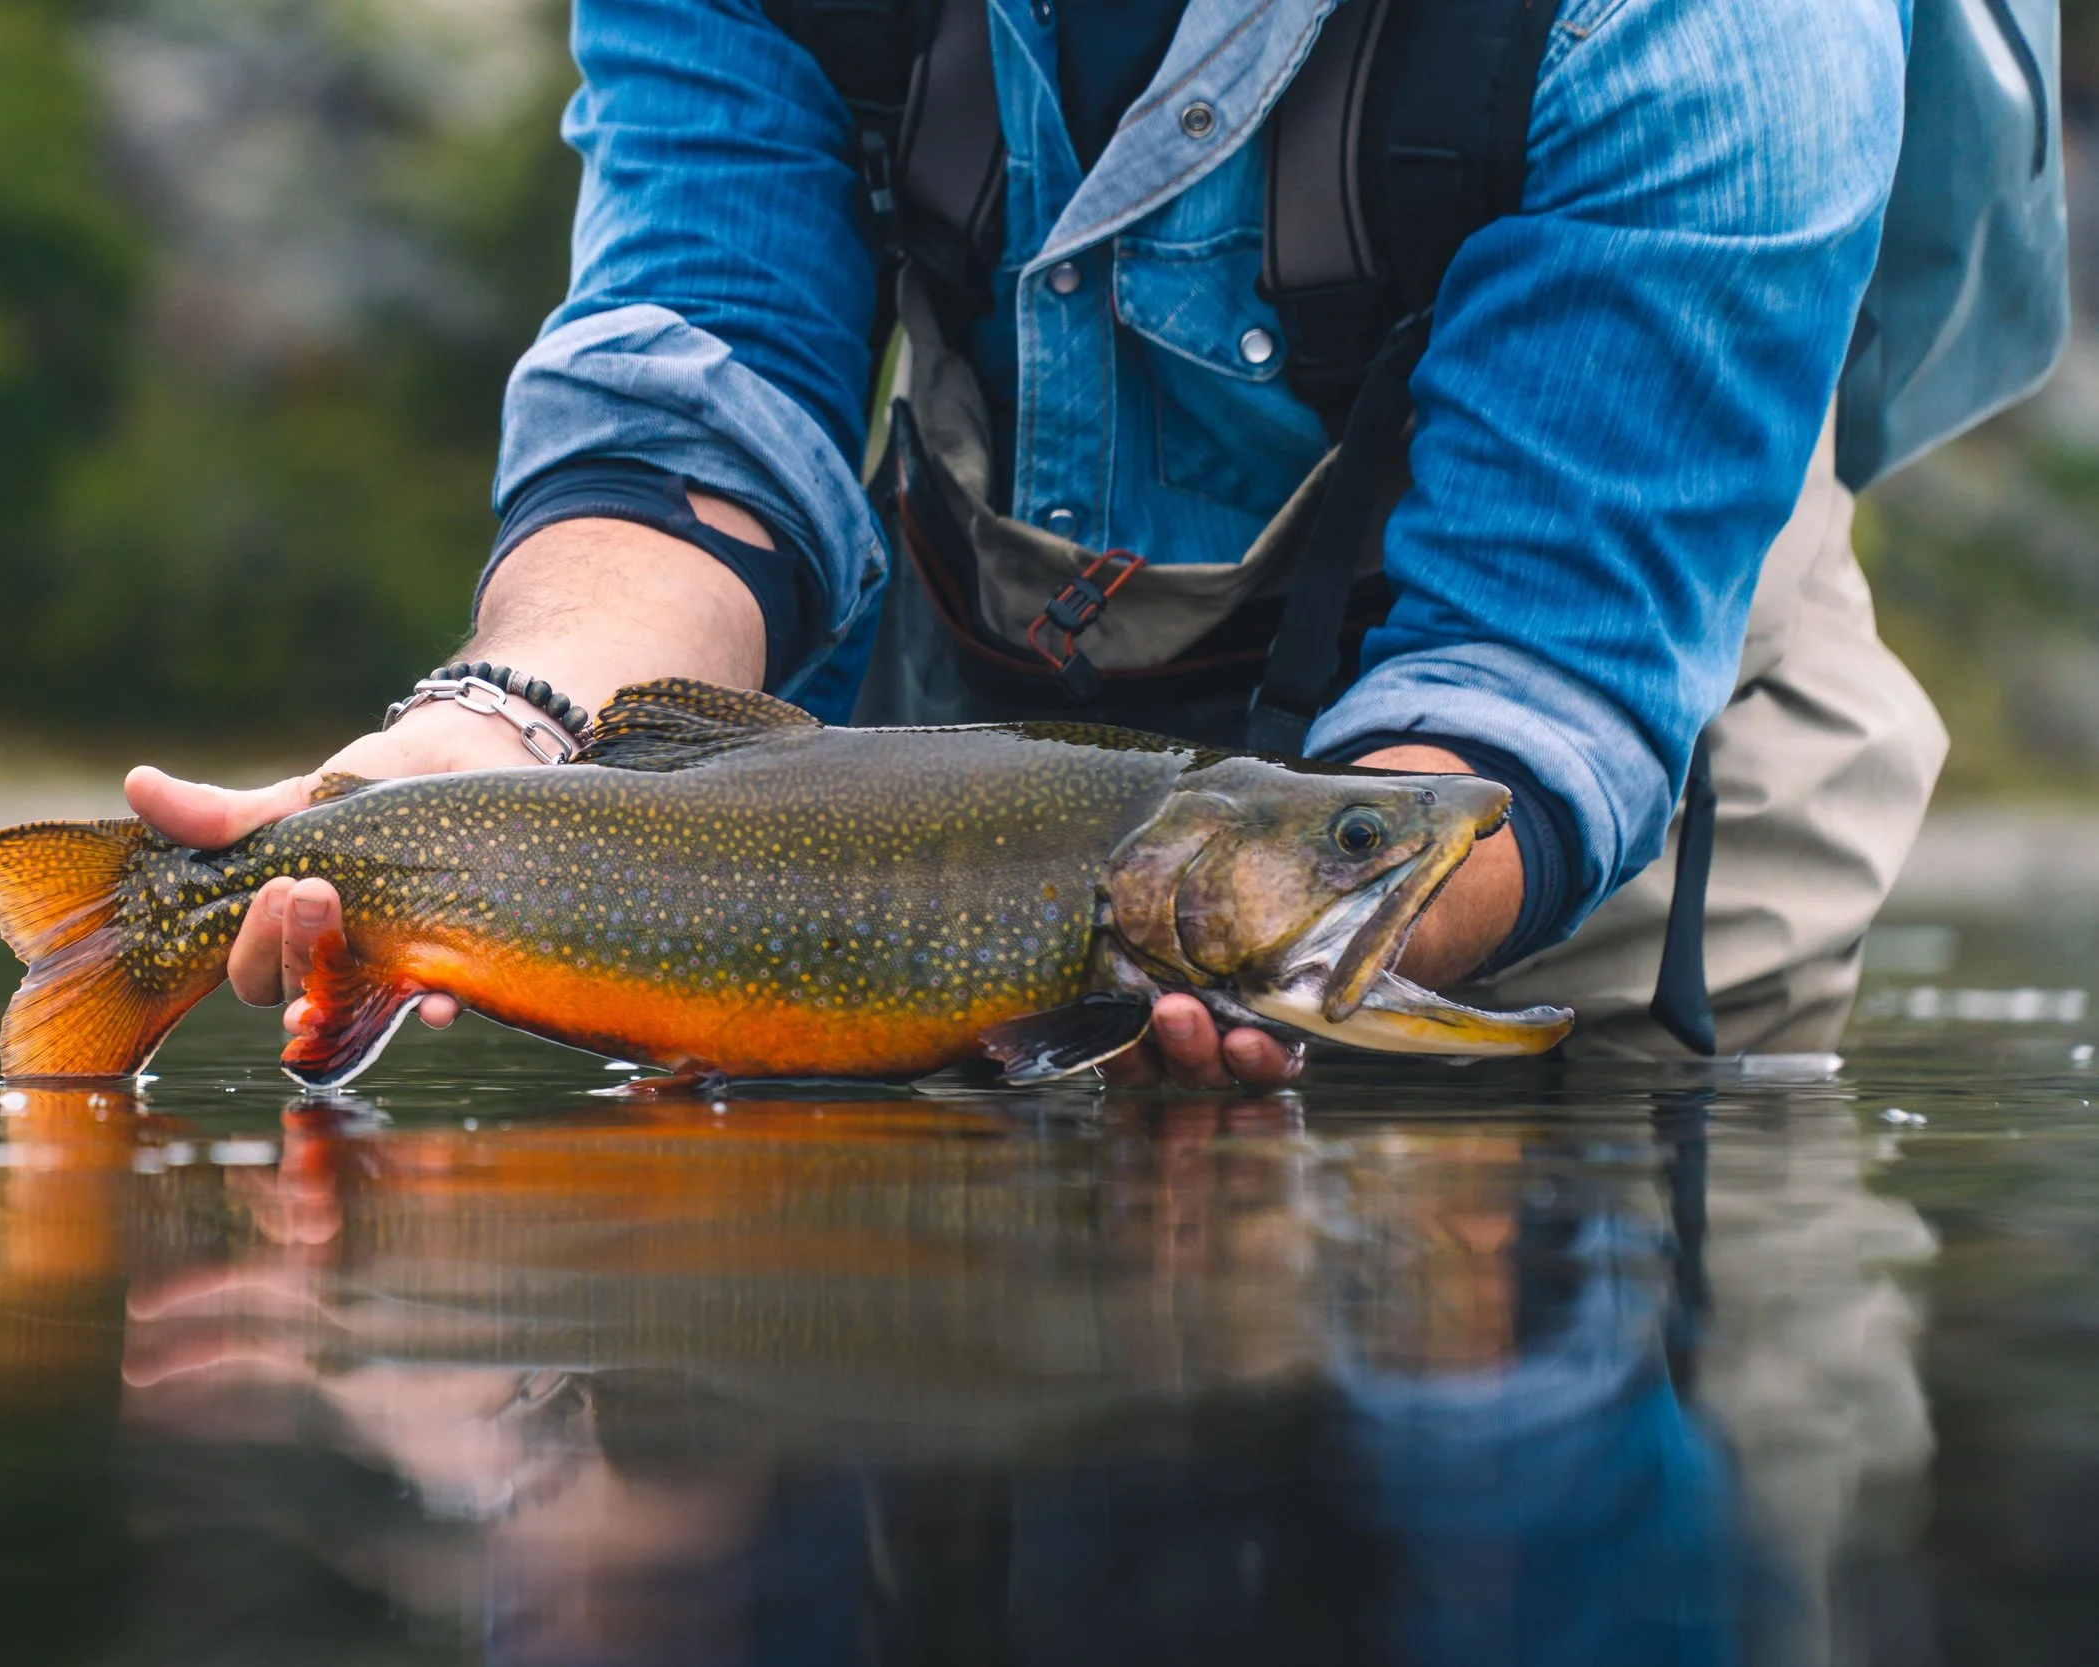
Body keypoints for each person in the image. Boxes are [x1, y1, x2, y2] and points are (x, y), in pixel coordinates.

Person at [125, 0, 1959, 1087]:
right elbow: (707, 382)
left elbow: (1538, 670)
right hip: (936, 825)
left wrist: (1291, 931)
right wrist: (503, 729)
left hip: (1583, 840)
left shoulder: (1731, 32)